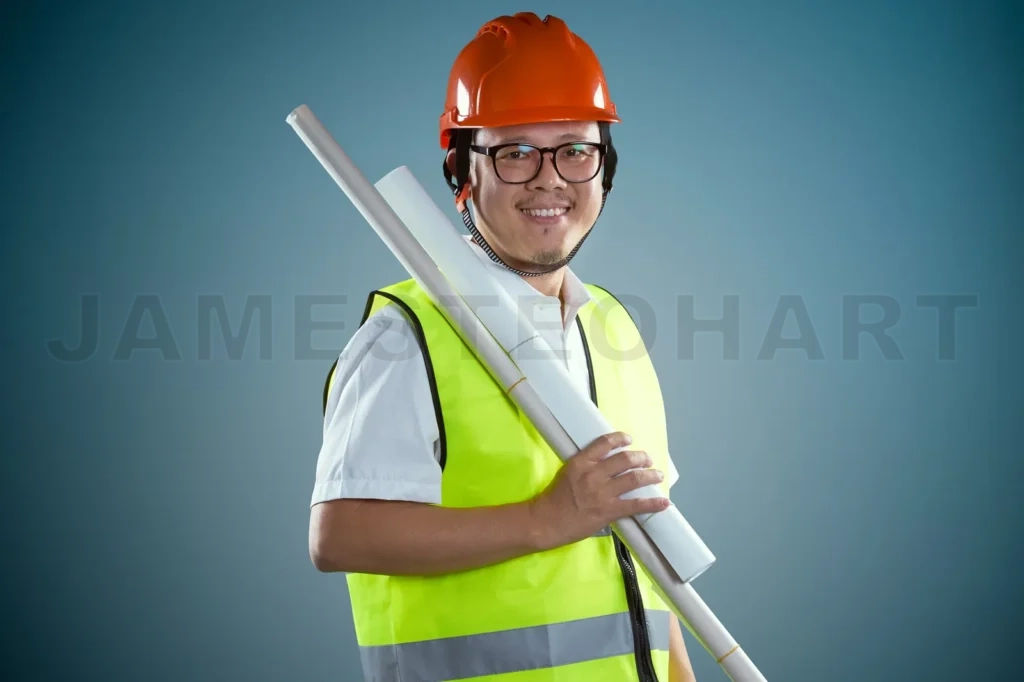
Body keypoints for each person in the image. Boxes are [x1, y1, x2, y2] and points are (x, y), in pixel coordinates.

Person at [309, 12, 697, 682]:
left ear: (606, 167)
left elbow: (642, 555)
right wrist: (544, 519)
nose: (550, 180)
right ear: (462, 169)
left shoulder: (611, 326)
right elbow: (338, 536)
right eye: (516, 152)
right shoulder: (410, 336)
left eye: (576, 149)